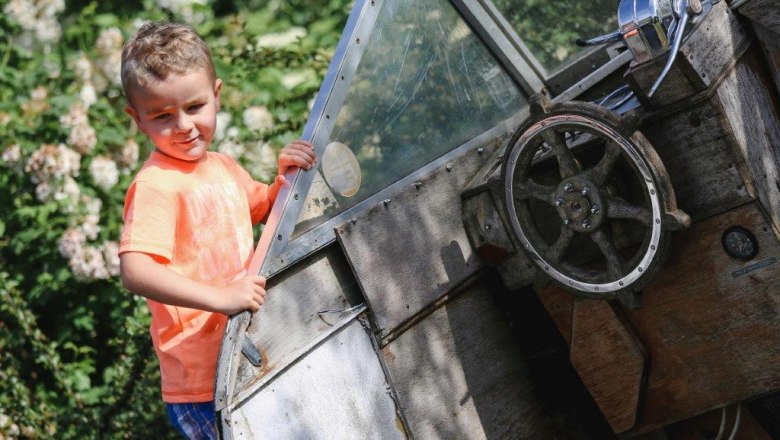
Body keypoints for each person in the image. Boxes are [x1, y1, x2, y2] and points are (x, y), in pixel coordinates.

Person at [118, 22, 316, 439]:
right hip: (202, 383)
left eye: (195, 107)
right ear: (137, 119)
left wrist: (284, 180)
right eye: (162, 116)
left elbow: (262, 210)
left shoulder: (223, 166)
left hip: (247, 356)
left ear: (216, 95)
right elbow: (136, 270)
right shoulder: (156, 185)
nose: (184, 125)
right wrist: (222, 298)